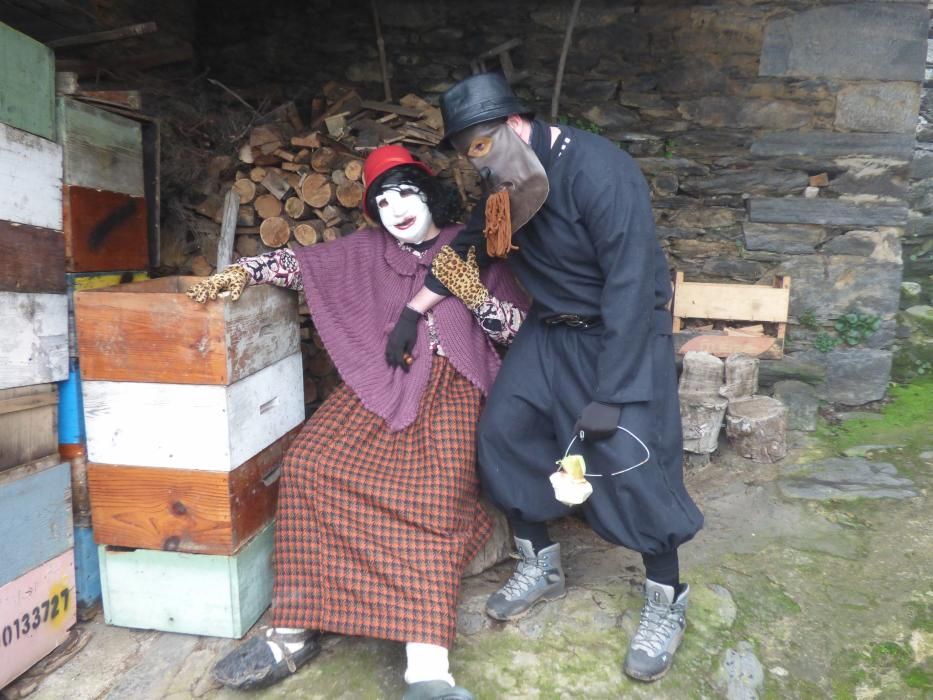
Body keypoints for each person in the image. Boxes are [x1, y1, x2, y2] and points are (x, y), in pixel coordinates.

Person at [187, 144, 528, 700]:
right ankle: (294, 632)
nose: (397, 208)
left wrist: (474, 297)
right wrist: (243, 272)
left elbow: (516, 333)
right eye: (383, 200)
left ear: (430, 194)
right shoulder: (367, 250)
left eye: (406, 193)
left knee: (433, 493)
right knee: (309, 466)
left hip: (455, 388)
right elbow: (299, 264)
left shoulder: (472, 244)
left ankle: (428, 667)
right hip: (382, 386)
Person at [394, 73, 704, 683]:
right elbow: (473, 251)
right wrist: (413, 311)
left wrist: (612, 392)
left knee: (628, 459)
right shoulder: (509, 181)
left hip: (621, 333)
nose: (476, 164)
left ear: (513, 125)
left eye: (480, 147)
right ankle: (541, 565)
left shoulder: (600, 172)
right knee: (504, 434)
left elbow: (633, 284)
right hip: (549, 332)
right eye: (467, 153)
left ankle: (668, 600)